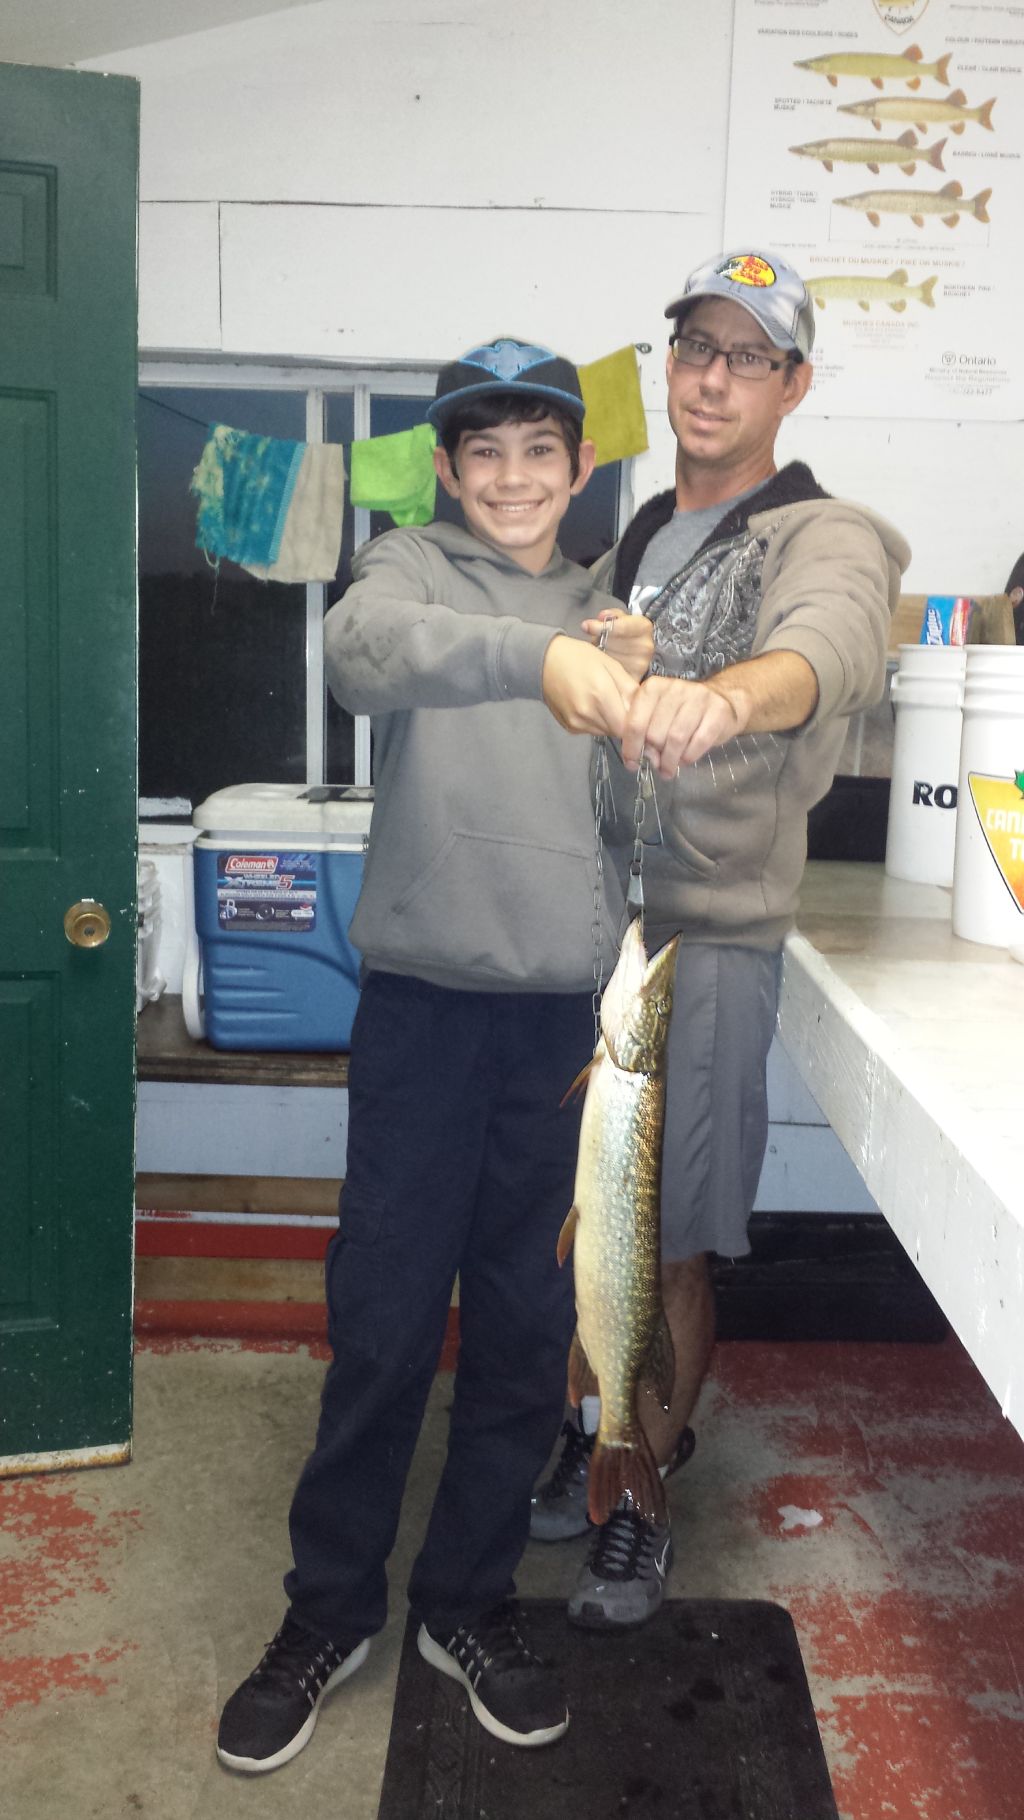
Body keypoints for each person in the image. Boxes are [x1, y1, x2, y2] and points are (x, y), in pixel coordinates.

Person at [215, 337, 643, 1773]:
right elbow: (360, 658)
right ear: (451, 471)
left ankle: (467, 1601)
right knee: (385, 1327)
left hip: (568, 1033)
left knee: (524, 1334)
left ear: (580, 467)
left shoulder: (618, 611)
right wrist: (543, 660)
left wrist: (645, 704)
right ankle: (328, 1608)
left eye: (540, 451)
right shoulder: (406, 570)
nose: (513, 477)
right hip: (421, 1016)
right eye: (486, 452)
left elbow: (643, 819)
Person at [530, 249, 911, 1630]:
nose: (711, 378)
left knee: (672, 1239)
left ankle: (644, 1483)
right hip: (595, 930)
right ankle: (589, 1431)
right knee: (583, 1226)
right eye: (695, 347)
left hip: (705, 939)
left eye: (747, 356)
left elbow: (837, 645)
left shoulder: (825, 532)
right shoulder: (634, 535)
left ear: (792, 384)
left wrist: (729, 698)